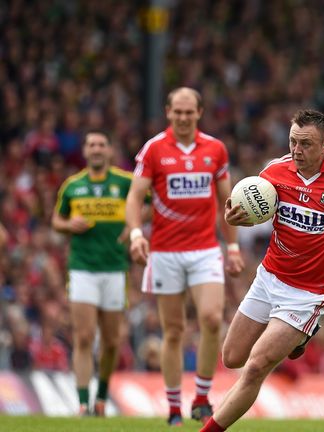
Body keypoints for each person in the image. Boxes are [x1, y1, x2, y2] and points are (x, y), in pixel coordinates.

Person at [198, 109, 324, 432]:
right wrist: (236, 218)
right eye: (293, 141)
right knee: (232, 357)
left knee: (255, 367)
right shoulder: (274, 172)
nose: (297, 150)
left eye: (305, 144)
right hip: (268, 278)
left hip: (308, 295)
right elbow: (253, 211)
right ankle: (299, 338)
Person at [125, 87, 245, 426]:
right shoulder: (154, 149)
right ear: (168, 112)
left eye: (189, 112)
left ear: (199, 113)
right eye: (177, 111)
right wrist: (136, 234)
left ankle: (202, 398)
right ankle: (174, 406)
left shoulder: (215, 149)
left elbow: (227, 203)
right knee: (174, 330)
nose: (182, 117)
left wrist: (233, 247)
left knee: (211, 319)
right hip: (165, 252)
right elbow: (135, 197)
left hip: (205, 249)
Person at [51, 130, 133, 416]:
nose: (96, 149)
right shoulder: (73, 186)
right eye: (92, 145)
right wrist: (68, 225)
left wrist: (132, 225)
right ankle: (83, 403)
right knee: (84, 336)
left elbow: (147, 204)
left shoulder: (124, 182)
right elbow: (56, 220)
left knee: (111, 342)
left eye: (101, 144)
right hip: (82, 268)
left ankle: (102, 396)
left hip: (114, 268)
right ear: (85, 151)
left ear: (109, 150)